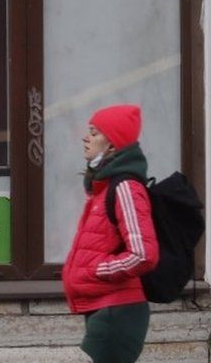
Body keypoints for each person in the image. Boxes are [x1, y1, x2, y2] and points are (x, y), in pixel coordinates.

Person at [62, 104, 159, 363]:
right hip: (105, 307)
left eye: (94, 133)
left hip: (118, 311)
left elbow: (143, 254)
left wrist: (97, 270)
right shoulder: (104, 188)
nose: (86, 138)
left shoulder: (125, 187)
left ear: (113, 144)